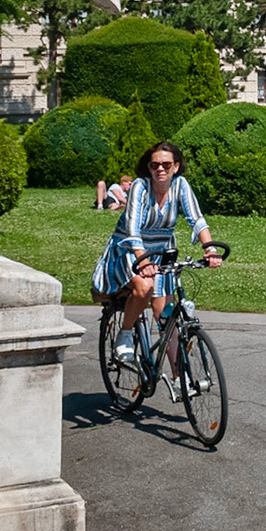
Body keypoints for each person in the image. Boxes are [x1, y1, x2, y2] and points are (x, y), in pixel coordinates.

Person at [92, 142, 220, 368]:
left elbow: (197, 220)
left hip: (161, 252)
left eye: (166, 165)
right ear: (148, 168)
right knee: (144, 287)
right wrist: (143, 260)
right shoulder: (140, 187)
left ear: (176, 167)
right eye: (154, 165)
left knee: (165, 316)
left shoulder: (180, 185)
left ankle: (181, 379)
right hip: (129, 249)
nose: (160, 169)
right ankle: (125, 335)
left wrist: (209, 248)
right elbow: (132, 228)